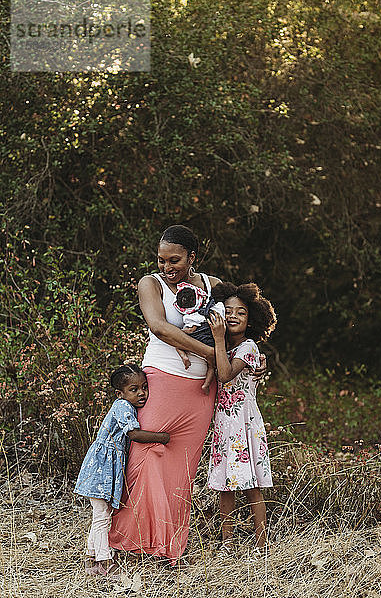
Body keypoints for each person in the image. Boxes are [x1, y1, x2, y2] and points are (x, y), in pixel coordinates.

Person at [108, 225, 222, 565]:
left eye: (175, 260)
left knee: (181, 471)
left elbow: (227, 329)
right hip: (161, 380)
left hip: (201, 391)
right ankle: (128, 543)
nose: (167, 267)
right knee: (145, 457)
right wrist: (209, 351)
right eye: (161, 260)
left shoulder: (213, 285)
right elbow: (160, 327)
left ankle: (167, 548)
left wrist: (219, 362)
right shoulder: (151, 284)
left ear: (193, 257)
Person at [74, 364, 170, 580]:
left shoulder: (127, 406)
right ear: (120, 393)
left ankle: (91, 559)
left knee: (102, 514)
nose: (142, 393)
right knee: (102, 516)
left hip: (107, 467)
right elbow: (134, 434)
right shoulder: (123, 407)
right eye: (134, 389)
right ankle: (105, 561)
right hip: (102, 467)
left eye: (144, 387)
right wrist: (162, 437)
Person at [207, 282, 277, 557]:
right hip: (225, 425)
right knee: (226, 485)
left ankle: (261, 544)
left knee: (253, 486)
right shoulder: (223, 345)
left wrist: (219, 339)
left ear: (251, 321)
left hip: (245, 424)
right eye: (228, 311)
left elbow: (225, 375)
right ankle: (227, 542)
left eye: (241, 313)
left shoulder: (248, 347)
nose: (234, 316)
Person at [173, 280, 225, 391]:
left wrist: (179, 333)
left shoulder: (193, 315)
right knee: (211, 366)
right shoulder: (214, 308)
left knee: (177, 343)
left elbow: (192, 329)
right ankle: (206, 384)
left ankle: (184, 356)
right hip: (211, 341)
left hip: (198, 338)